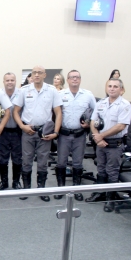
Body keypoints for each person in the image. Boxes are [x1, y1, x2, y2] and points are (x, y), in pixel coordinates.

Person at [12, 65, 62, 202]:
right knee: (26, 161)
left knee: (42, 162)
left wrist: (56, 132)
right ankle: (27, 188)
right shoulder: (24, 90)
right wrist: (22, 126)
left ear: (45, 75)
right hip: (28, 131)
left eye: (40, 73)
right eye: (34, 73)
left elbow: (58, 113)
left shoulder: (51, 91)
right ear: (32, 75)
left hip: (44, 133)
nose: (37, 75)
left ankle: (41, 189)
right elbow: (15, 111)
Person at [86, 78, 131, 212]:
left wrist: (101, 136)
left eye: (115, 87)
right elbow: (93, 121)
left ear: (121, 90)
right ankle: (100, 193)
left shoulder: (125, 105)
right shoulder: (101, 103)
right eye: (110, 86)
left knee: (112, 171)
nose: (112, 88)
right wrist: (97, 137)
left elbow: (120, 126)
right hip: (100, 143)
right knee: (101, 169)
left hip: (114, 144)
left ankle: (111, 199)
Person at [55, 70, 96, 201]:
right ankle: (61, 189)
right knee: (61, 162)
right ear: (67, 80)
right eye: (72, 77)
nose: (75, 79)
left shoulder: (88, 95)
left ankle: (76, 189)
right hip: (64, 134)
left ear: (80, 80)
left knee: (78, 163)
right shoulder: (60, 94)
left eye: (77, 77)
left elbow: (95, 114)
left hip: (80, 134)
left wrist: (89, 124)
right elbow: (55, 113)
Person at [0, 72, 23, 190]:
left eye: (12, 80)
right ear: (3, 82)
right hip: (3, 131)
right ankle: (4, 182)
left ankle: (16, 182)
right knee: (2, 159)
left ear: (15, 81)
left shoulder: (21, 93)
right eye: (7, 80)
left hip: (18, 131)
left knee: (17, 158)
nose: (10, 82)